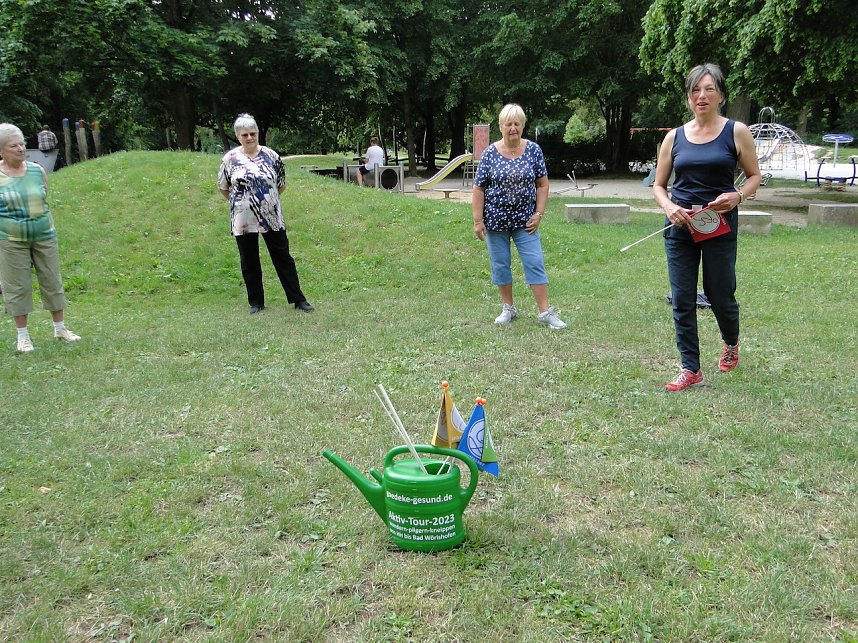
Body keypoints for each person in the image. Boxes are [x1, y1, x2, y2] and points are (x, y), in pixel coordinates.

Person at [653, 63, 761, 392]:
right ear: (688, 98)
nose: (702, 96)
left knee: (720, 293)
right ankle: (691, 369)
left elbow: (754, 176)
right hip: (680, 225)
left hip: (718, 225)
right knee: (682, 297)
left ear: (721, 95)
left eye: (709, 89)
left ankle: (731, 341)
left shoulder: (736, 131)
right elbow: (659, 186)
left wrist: (738, 195)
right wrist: (670, 207)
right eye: (695, 90)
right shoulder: (674, 137)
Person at [471, 104, 566, 329]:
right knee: (501, 264)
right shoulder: (489, 153)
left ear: (522, 126)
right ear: (501, 127)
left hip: (526, 221)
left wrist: (539, 213)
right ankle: (508, 308)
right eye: (508, 124)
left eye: (517, 123)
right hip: (496, 221)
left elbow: (542, 184)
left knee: (535, 262)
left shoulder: (533, 150)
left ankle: (545, 312)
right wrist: (478, 221)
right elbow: (478, 188)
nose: (513, 128)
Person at [217, 113, 313, 315]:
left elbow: (281, 185)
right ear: (238, 136)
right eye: (245, 135)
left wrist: (266, 202)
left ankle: (298, 299)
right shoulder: (229, 159)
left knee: (283, 257)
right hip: (243, 218)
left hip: (271, 217)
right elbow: (224, 187)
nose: (249, 138)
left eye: (253, 133)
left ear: (258, 133)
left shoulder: (271, 156)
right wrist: (241, 203)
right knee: (249, 260)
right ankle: (256, 302)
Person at [0, 123, 81, 353]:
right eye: (13, 146)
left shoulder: (37, 170)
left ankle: (60, 328)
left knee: (52, 281)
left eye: (22, 144)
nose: (20, 149)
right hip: (11, 239)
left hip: (44, 235)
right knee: (17, 287)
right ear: (1, 151)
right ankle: (23, 337)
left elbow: (44, 197)